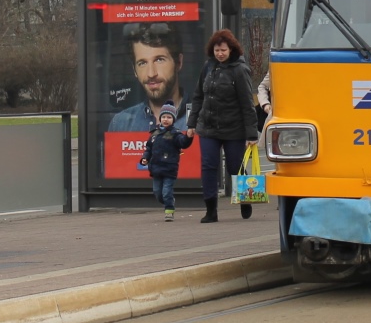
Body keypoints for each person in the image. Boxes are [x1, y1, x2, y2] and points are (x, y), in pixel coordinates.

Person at [186, 29, 258, 223]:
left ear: (231, 49)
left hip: (233, 129)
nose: (220, 53)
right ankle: (211, 209)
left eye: (223, 50)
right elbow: (198, 96)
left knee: (235, 167)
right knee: (208, 166)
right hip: (208, 127)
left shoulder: (240, 70)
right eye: (217, 50)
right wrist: (192, 123)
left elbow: (247, 104)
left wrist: (252, 134)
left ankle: (245, 200)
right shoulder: (208, 67)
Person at [108, 23, 189, 133]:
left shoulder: (202, 120)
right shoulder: (121, 124)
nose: (151, 74)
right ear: (134, 70)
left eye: (159, 60)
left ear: (179, 62)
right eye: (142, 63)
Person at [138, 101, 193, 221]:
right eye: (163, 117)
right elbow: (149, 148)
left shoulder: (175, 134)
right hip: (156, 169)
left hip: (169, 169)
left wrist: (189, 137)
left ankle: (169, 210)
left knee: (166, 192)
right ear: (160, 118)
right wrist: (145, 158)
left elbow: (183, 142)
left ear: (173, 119)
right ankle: (169, 201)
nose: (166, 119)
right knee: (157, 193)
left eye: (169, 117)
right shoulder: (154, 134)